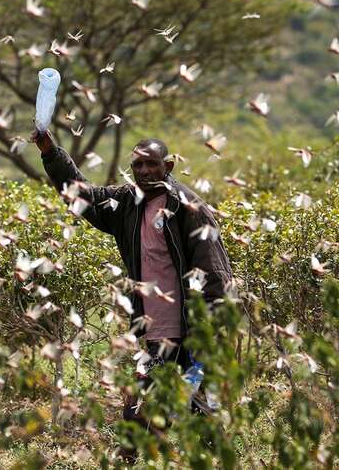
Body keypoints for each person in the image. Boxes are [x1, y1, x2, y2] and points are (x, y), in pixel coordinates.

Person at [30, 128, 233, 456]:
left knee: (176, 415)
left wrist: (205, 330)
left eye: (150, 165)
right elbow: (85, 197)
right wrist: (51, 153)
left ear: (167, 166)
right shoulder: (127, 202)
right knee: (158, 414)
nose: (143, 171)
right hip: (154, 333)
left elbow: (214, 274)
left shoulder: (188, 208)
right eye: (137, 165)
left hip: (191, 334)